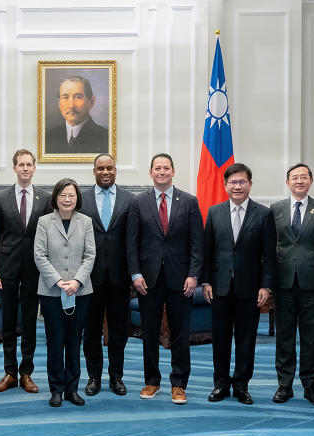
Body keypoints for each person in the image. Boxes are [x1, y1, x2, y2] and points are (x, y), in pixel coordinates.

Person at [127, 153, 203, 404]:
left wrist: (194, 275)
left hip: (181, 279)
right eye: (157, 168)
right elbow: (132, 243)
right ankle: (151, 381)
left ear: (173, 171)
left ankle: (179, 384)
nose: (162, 172)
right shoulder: (138, 203)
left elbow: (196, 243)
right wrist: (135, 274)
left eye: (166, 168)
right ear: (150, 173)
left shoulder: (189, 202)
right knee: (149, 333)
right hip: (147, 279)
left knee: (181, 333)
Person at [202, 163, 276, 405]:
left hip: (250, 288)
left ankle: (242, 385)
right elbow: (207, 251)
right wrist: (206, 281)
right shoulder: (214, 212)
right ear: (225, 186)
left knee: (246, 339)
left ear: (250, 184)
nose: (237, 186)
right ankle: (221, 384)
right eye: (232, 182)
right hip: (220, 287)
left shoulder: (264, 214)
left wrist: (266, 286)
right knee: (220, 339)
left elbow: (269, 255)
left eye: (241, 182)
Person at [0, 149, 52, 394]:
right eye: (21, 164)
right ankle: (9, 372)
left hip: (35, 269)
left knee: (29, 323)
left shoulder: (45, 199)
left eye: (29, 164)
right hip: (7, 270)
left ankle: (27, 373)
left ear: (34, 168)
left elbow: (49, 237)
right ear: (14, 168)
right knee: (9, 324)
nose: (25, 168)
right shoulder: (2, 198)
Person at [270, 163, 314, 406]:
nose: (299, 181)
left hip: (312, 285)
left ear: (310, 181)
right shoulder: (275, 209)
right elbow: (269, 247)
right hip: (283, 283)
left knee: (310, 338)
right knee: (284, 337)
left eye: (303, 177)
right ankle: (284, 386)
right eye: (294, 178)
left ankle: (310, 387)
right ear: (287, 182)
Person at [34, 178, 96, 407]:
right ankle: (56, 389)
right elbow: (39, 255)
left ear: (77, 198)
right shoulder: (44, 222)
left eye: (71, 195)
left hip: (80, 292)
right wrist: (59, 281)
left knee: (74, 340)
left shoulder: (86, 222)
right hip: (51, 292)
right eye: (63, 195)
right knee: (55, 341)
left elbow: (90, 255)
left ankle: (72, 389)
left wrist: (77, 281)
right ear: (55, 198)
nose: (67, 199)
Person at [78, 153, 133, 396]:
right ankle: (94, 377)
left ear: (115, 170)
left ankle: (116, 376)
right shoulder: (82, 199)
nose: (105, 172)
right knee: (90, 330)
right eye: (100, 169)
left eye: (109, 168)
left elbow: (134, 240)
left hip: (120, 277)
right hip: (89, 277)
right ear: (94, 171)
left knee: (120, 330)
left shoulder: (130, 200)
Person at [44, 76, 110, 155]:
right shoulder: (47, 136)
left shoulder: (106, 138)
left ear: (91, 102)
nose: (71, 105)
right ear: (59, 103)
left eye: (78, 97)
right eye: (65, 97)